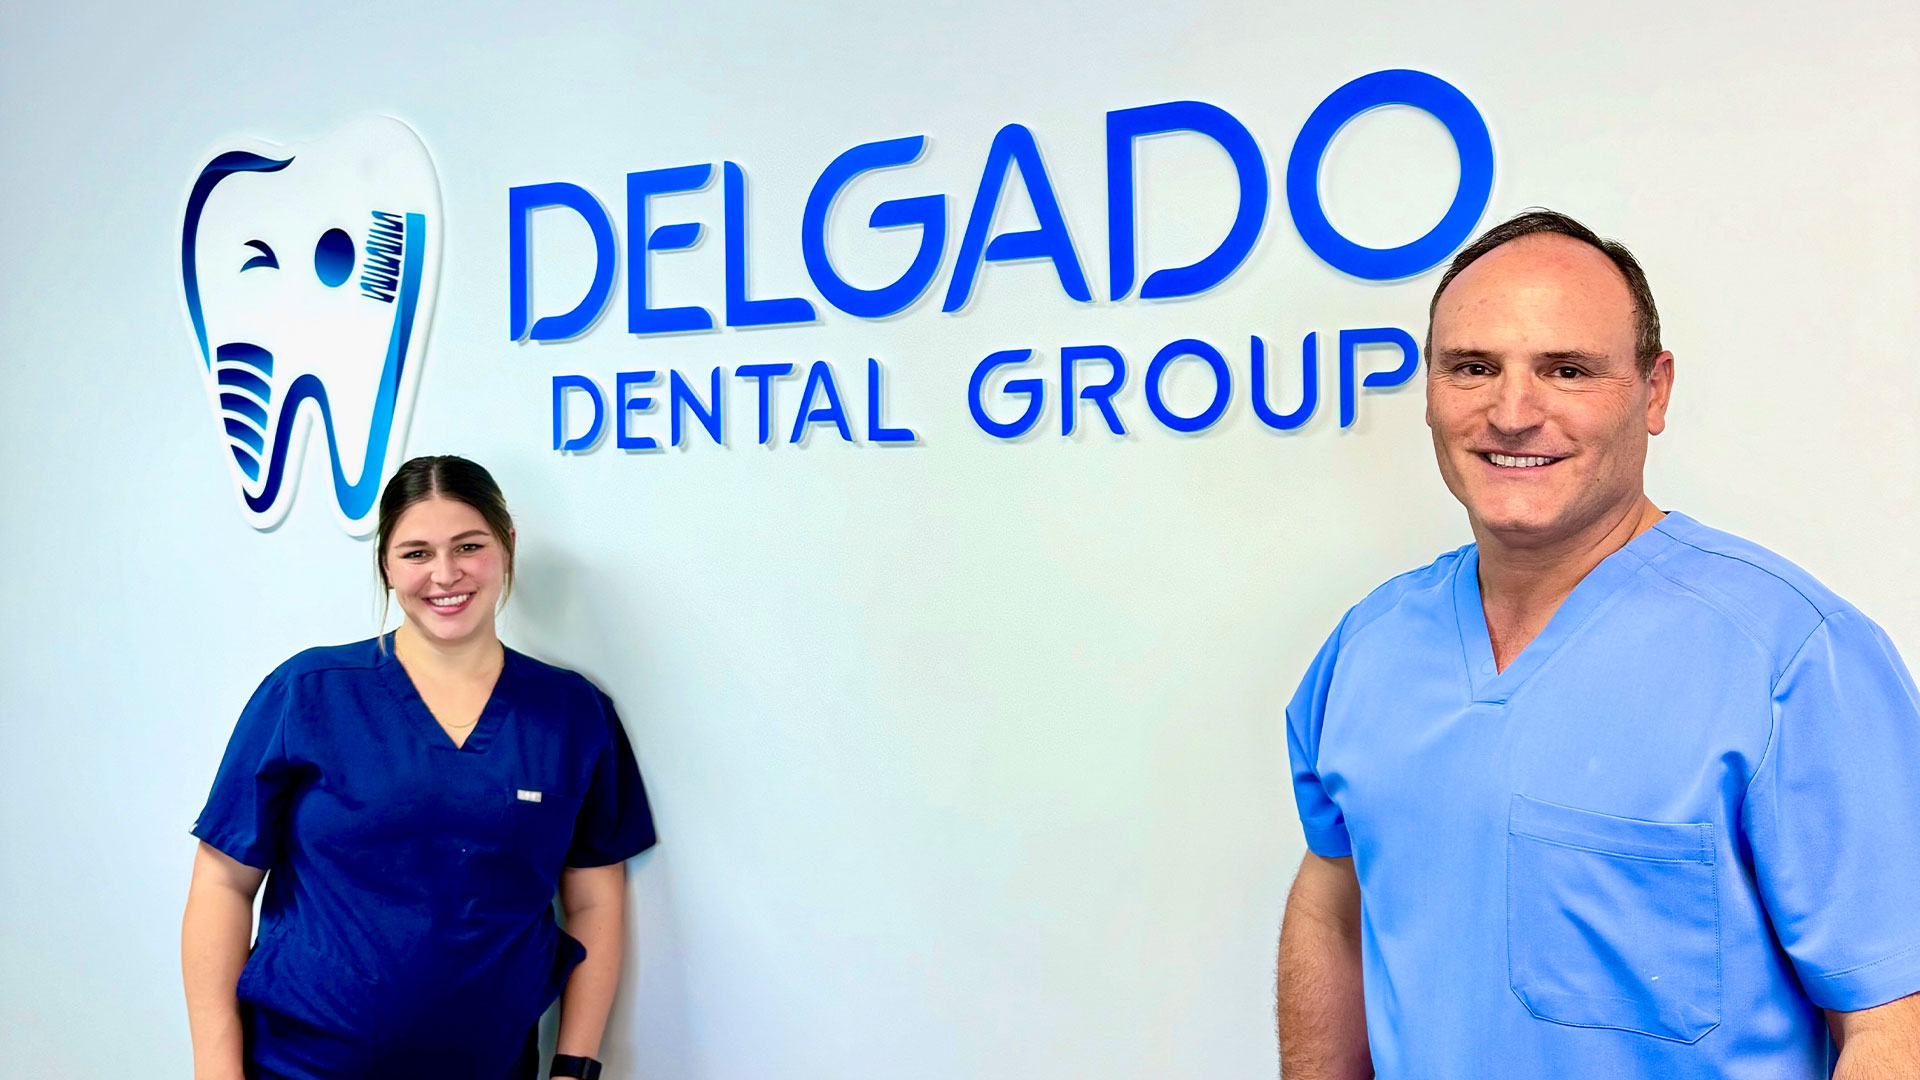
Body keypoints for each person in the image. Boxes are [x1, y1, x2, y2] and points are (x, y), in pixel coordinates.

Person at [1274, 210, 1920, 1078]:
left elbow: (1895, 1021)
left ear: (1655, 392)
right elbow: (1335, 905)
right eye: (1473, 368)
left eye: (1566, 370)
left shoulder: (1795, 661)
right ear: (1429, 388)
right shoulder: (1369, 646)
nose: (1512, 412)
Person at [181, 455, 655, 1080]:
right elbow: (223, 883)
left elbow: (595, 901)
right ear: (385, 562)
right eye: (416, 553)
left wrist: (574, 1067)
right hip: (301, 1065)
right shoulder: (309, 693)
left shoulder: (572, 714)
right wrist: (216, 1071)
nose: (446, 574)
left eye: (468, 546)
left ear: (506, 547)